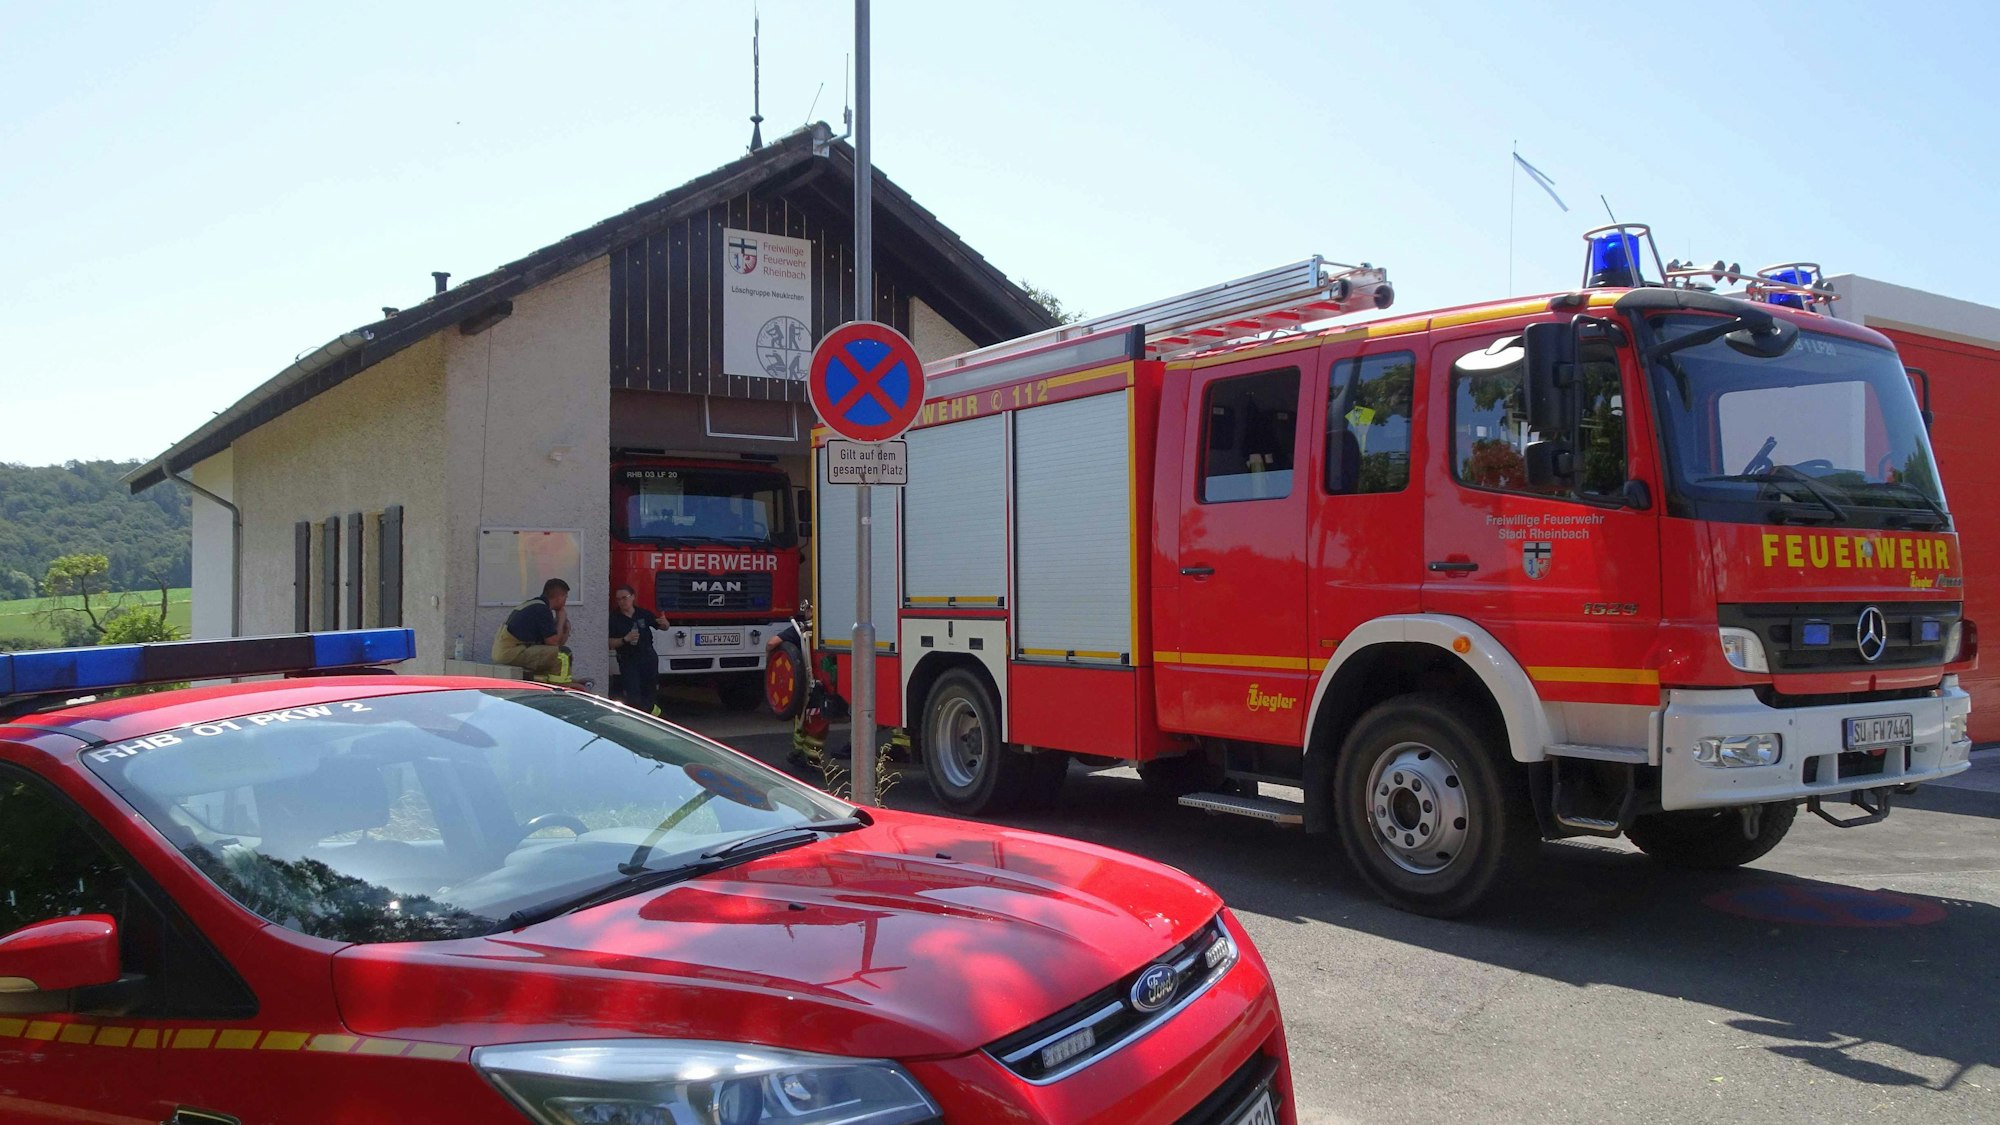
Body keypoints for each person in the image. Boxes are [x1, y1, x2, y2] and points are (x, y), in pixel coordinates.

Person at [492, 578, 572, 678]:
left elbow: (554, 646)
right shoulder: (542, 610)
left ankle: (556, 680)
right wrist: (561, 620)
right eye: (566, 597)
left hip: (506, 652)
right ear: (559, 598)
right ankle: (562, 686)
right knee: (563, 654)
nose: (565, 602)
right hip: (512, 652)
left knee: (552, 654)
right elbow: (554, 643)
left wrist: (566, 630)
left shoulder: (534, 605)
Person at [608, 584, 662, 714]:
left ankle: (652, 717)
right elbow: (609, 643)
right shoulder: (614, 618)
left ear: (633, 597)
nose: (621, 601)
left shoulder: (643, 613)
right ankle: (638, 719)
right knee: (633, 695)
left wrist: (665, 624)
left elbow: (661, 625)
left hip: (648, 658)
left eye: (624, 598)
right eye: (618, 599)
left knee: (650, 692)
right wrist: (625, 639)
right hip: (629, 660)